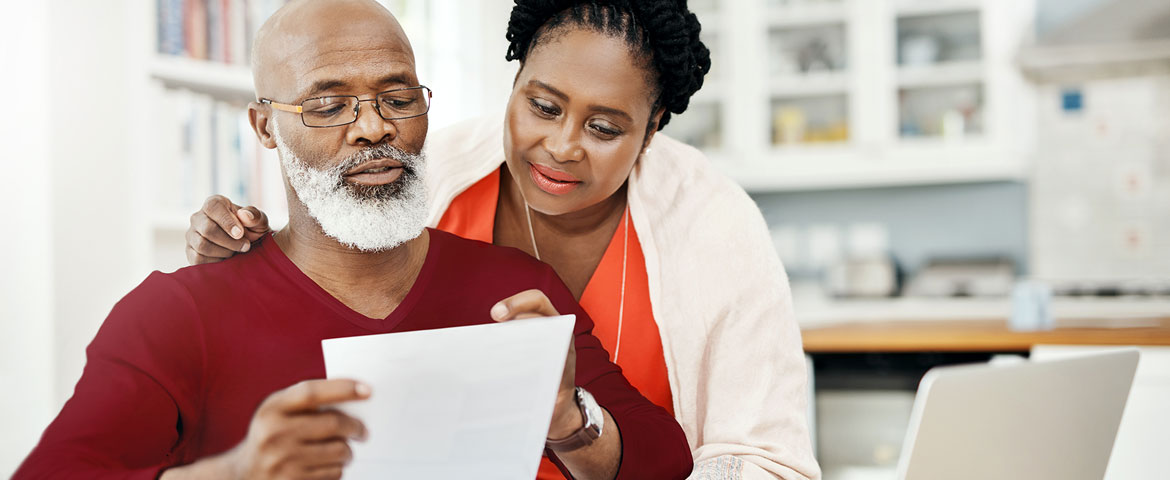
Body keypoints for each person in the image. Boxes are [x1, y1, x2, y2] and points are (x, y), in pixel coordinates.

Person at [14, 1, 694, 479]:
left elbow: (664, 459)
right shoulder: (175, 313)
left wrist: (567, 420)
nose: (373, 127)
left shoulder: (518, 291)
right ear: (265, 126)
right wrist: (233, 474)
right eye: (328, 105)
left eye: (398, 98)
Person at [187, 0, 820, 479]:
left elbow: (765, 459)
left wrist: (576, 426)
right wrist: (238, 260)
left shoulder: (714, 226)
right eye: (542, 107)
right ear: (514, 83)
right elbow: (320, 300)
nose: (562, 146)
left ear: (651, 129)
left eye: (604, 128)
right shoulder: (425, 175)